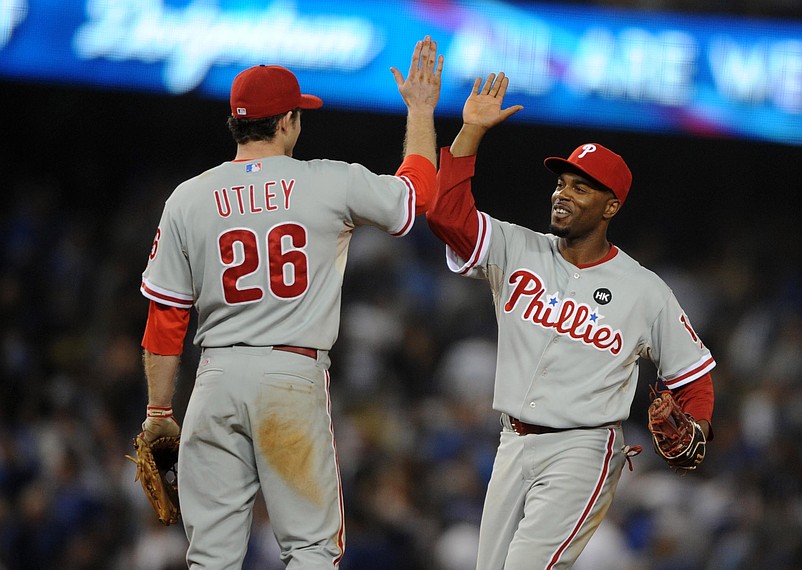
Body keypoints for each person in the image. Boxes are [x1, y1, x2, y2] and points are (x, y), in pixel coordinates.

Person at [134, 36, 443, 569]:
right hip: (290, 378)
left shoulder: (187, 197)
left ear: (237, 122)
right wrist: (419, 111)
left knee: (209, 556)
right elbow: (416, 198)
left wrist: (158, 411)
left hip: (216, 378)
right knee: (311, 549)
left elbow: (166, 319)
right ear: (287, 122)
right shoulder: (328, 180)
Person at [425, 72, 715, 569]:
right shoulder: (518, 247)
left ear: (611, 206)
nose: (563, 194)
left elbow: (694, 375)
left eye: (581, 188)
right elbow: (445, 215)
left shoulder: (644, 289)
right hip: (512, 441)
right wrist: (470, 133)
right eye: (561, 183)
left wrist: (699, 430)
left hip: (583, 449)